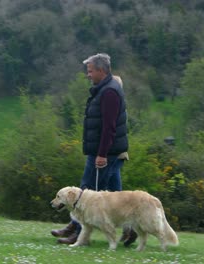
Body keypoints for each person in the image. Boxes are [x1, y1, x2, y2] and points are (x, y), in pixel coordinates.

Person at [51, 53, 137, 246]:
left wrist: (101, 154)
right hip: (111, 151)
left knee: (86, 194)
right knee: (117, 194)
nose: (88, 75)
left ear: (101, 70)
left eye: (90, 71)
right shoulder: (105, 89)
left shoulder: (109, 92)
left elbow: (109, 126)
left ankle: (78, 233)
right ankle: (130, 229)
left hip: (104, 152)